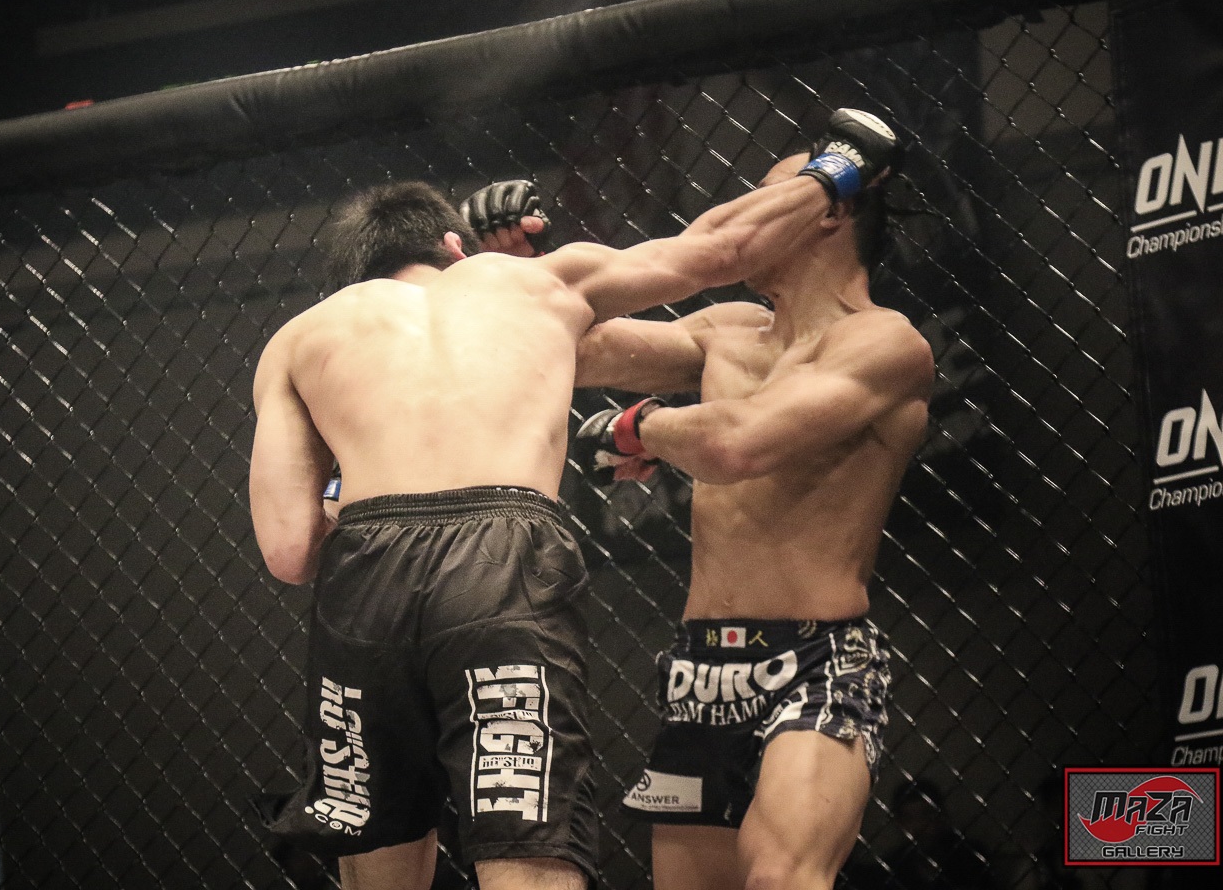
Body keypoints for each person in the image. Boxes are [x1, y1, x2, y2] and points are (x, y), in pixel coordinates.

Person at [248, 109, 898, 890]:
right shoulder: (586, 297)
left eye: (779, 195)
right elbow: (702, 260)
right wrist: (839, 168)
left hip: (368, 568)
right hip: (520, 571)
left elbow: (289, 551)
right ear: (454, 249)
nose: (761, 208)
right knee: (528, 850)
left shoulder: (301, 335)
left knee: (379, 850)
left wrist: (358, 499)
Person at [566, 112, 933, 890]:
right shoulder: (727, 332)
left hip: (817, 662)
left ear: (828, 211)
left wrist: (644, 427)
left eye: (770, 200)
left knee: (781, 879)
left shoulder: (885, 344)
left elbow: (740, 443)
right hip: (702, 669)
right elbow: (576, 347)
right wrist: (515, 274)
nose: (747, 218)